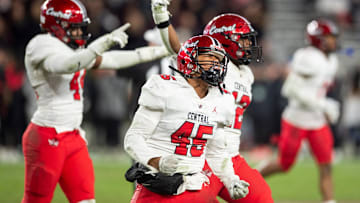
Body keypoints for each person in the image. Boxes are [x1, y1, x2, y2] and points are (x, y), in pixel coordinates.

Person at [22, 0, 170, 202]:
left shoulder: (73, 48)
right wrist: (99, 46)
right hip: (47, 134)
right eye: (75, 28)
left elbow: (114, 60)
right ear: (58, 26)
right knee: (37, 199)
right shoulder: (40, 45)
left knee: (86, 199)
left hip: (73, 135)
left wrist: (158, 51)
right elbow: (67, 65)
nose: (80, 33)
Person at [151, 0, 274, 202]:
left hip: (231, 155)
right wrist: (162, 19)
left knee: (261, 198)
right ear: (226, 41)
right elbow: (178, 49)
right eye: (243, 40)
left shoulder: (246, 74)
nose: (249, 45)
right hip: (201, 156)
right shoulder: (211, 65)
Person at [124, 35, 250, 202]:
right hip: (160, 187)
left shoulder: (223, 100)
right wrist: (157, 161)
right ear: (189, 60)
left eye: (218, 59)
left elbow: (216, 152)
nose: (216, 64)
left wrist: (231, 179)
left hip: (197, 186)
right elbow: (133, 138)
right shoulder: (165, 89)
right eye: (209, 57)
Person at [258, 19, 340, 203]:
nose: (334, 41)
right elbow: (290, 89)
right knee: (284, 164)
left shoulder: (332, 60)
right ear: (320, 39)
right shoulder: (307, 57)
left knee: (326, 164)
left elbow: (316, 90)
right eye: (330, 37)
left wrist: (324, 106)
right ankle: (251, 179)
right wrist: (322, 105)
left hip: (317, 121)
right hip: (297, 119)